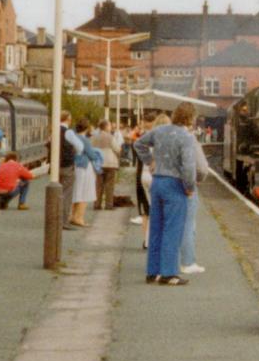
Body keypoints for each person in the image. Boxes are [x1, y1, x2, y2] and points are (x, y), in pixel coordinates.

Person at [135, 104, 197, 286]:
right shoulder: (186, 137)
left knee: (156, 228)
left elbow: (138, 144)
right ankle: (169, 273)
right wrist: (189, 187)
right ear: (189, 118)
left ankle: (152, 272)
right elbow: (189, 167)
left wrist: (149, 161)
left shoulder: (159, 131)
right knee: (173, 229)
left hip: (158, 182)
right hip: (175, 185)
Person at [180, 123, 212, 274]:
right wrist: (195, 181)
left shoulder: (164, 135)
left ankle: (164, 265)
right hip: (187, 186)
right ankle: (188, 262)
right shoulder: (189, 138)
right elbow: (202, 167)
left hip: (165, 184)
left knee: (167, 225)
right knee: (188, 224)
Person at [70, 119, 102, 228]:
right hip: (84, 167)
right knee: (85, 192)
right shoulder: (84, 140)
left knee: (76, 192)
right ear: (87, 128)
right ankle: (79, 217)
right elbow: (91, 155)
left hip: (74, 166)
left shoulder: (72, 138)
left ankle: (72, 216)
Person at [56, 110, 83, 229]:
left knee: (56, 194)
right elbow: (80, 147)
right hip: (67, 166)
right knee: (66, 194)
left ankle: (54, 218)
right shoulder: (68, 132)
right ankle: (63, 221)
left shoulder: (54, 131)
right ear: (68, 119)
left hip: (55, 167)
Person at [91, 120, 121, 211]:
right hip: (110, 163)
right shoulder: (110, 137)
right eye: (109, 126)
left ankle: (97, 204)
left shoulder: (94, 137)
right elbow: (117, 149)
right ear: (106, 127)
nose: (111, 127)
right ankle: (109, 205)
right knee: (109, 184)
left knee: (98, 184)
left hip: (99, 163)